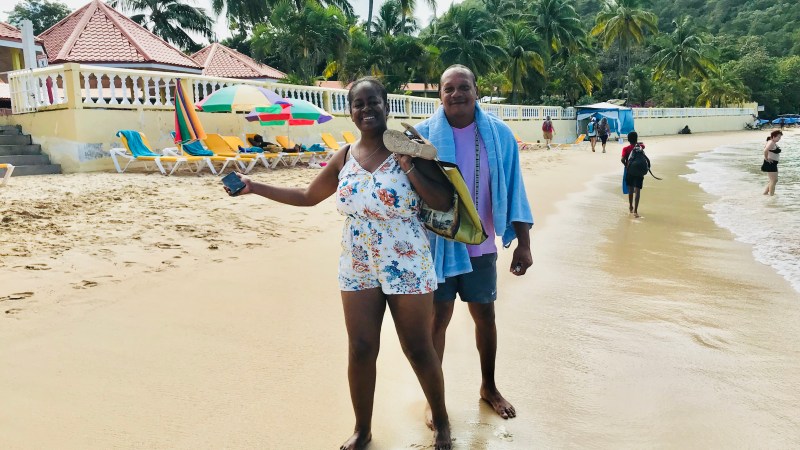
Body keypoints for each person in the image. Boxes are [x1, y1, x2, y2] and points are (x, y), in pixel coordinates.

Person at [225, 77, 454, 450]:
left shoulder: (408, 147)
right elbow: (307, 195)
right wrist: (255, 187)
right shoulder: (344, 156)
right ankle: (362, 430)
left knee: (417, 346)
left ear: (386, 105)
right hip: (358, 260)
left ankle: (441, 421)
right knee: (361, 347)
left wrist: (409, 164)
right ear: (350, 112)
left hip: (407, 259)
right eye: (359, 104)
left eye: (373, 102)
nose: (367, 110)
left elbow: (443, 201)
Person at [414, 65, 533, 423]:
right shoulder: (422, 137)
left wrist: (524, 243)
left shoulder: (498, 134)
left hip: (481, 244)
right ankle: (434, 399)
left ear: (476, 90)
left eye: (463, 86)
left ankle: (489, 386)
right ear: (439, 95)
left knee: (485, 316)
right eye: (448, 88)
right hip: (438, 246)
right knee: (437, 320)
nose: (456, 93)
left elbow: (515, 189)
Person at [621, 131, 650, 218]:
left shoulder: (626, 149)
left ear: (628, 139)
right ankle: (636, 211)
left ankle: (630, 207)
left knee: (630, 190)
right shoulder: (640, 147)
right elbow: (643, 145)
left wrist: (626, 165)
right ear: (636, 139)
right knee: (637, 191)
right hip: (639, 171)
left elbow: (622, 159)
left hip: (629, 171)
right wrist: (638, 143)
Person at [762, 130, 783, 196]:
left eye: (780, 137)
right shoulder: (771, 142)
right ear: (773, 137)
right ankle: (771, 195)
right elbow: (765, 150)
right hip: (770, 163)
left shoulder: (772, 142)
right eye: (778, 137)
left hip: (773, 163)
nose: (779, 139)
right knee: (773, 180)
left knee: (773, 180)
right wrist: (766, 158)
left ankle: (765, 193)